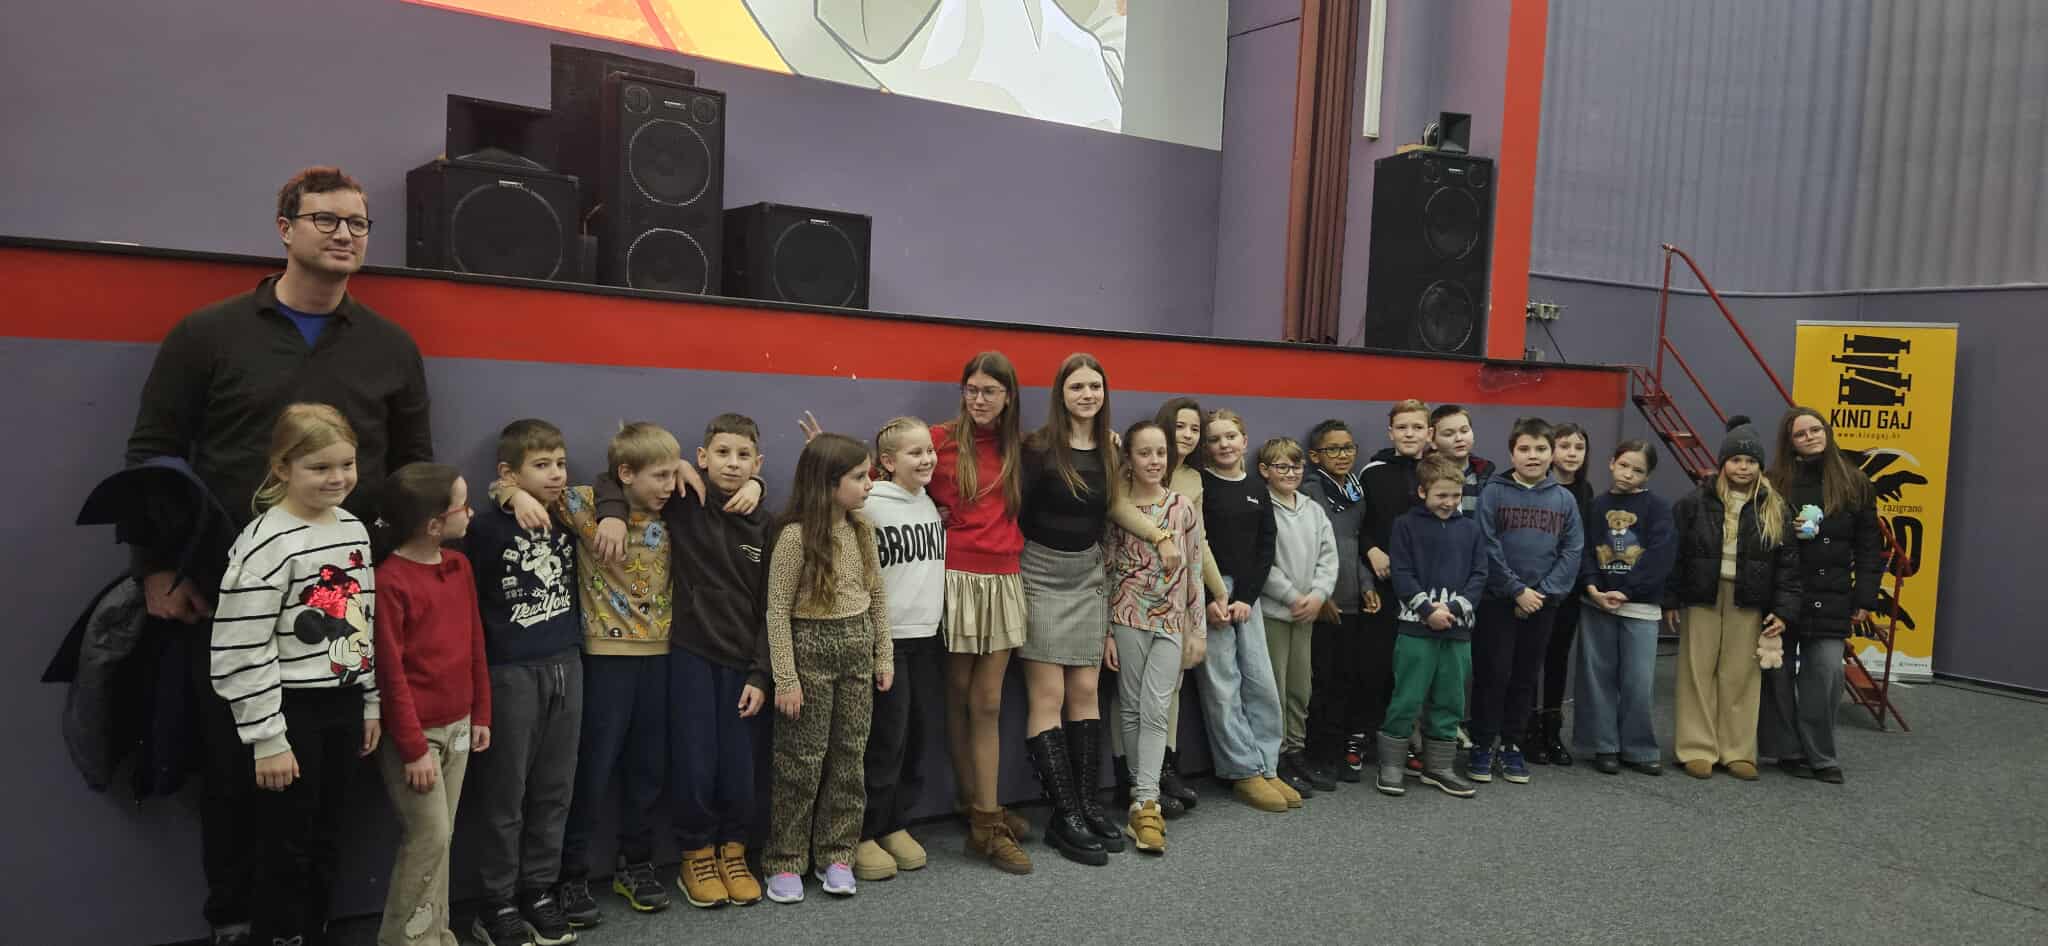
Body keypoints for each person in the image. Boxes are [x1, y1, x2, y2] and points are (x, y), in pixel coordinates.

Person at [125, 167, 432, 946]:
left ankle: (304, 926)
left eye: (358, 223)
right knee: (234, 776)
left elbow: (411, 469)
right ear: (285, 227)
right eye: (326, 219)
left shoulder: (391, 346)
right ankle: (234, 922)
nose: (344, 234)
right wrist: (156, 567)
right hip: (226, 596)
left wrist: (393, 569)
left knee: (325, 791)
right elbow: (153, 453)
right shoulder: (208, 334)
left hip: (338, 609)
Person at [209, 404, 383, 946]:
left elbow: (362, 622)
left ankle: (313, 933)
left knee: (329, 837)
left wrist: (370, 701)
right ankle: (280, 936)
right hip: (289, 714)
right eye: (320, 467)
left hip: (343, 704)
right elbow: (240, 647)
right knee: (285, 844)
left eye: (347, 464)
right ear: (282, 467)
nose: (338, 478)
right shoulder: (266, 541)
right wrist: (267, 738)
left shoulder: (352, 527)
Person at [590, 414, 774, 908]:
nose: (732, 464)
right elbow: (613, 477)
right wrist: (612, 512)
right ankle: (697, 853)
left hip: (744, 665)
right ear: (702, 457)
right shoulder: (683, 501)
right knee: (695, 762)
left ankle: (733, 851)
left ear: (758, 464)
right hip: (690, 654)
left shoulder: (766, 523)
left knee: (739, 767)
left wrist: (761, 672)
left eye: (744, 457)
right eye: (722, 453)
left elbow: (770, 608)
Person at [502, 423, 683, 914]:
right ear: (625, 473)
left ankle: (636, 864)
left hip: (662, 658)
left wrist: (688, 472)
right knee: (592, 770)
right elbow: (518, 485)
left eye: (673, 475)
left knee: (648, 769)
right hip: (604, 661)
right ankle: (572, 873)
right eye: (659, 476)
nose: (669, 486)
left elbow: (722, 482)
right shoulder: (583, 506)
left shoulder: (677, 508)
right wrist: (514, 495)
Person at [461, 421, 584, 944]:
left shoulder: (570, 514)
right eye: (541, 465)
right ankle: (497, 902)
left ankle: (538, 890)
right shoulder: (487, 530)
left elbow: (629, 482)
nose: (556, 474)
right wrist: (509, 496)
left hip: (567, 665)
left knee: (555, 790)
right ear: (508, 473)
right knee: (504, 794)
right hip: (509, 672)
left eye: (560, 463)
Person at [761, 433, 892, 904]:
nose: (869, 484)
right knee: (800, 761)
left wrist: (883, 654)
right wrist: (787, 678)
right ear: (828, 483)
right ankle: (785, 859)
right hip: (809, 651)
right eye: (859, 477)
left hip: (857, 649)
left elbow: (876, 595)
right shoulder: (794, 537)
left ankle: (838, 854)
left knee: (849, 758)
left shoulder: (862, 531)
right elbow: (777, 611)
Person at [369, 464, 491, 946]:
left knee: (443, 839)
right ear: (434, 524)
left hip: (460, 725)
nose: (471, 513)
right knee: (429, 837)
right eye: (464, 506)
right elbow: (390, 674)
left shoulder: (459, 566)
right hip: (416, 737)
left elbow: (474, 642)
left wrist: (481, 712)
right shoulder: (390, 581)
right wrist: (414, 748)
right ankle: (404, 940)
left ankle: (438, 934)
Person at [1016, 354, 1125, 865]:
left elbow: (1115, 507)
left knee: (1085, 692)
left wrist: (1162, 535)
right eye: (1077, 386)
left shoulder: (1109, 449)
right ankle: (1064, 816)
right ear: (1061, 392)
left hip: (1087, 577)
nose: (1087, 395)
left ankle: (1087, 805)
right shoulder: (1037, 448)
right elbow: (1011, 508)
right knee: (1050, 694)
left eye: (1095, 386)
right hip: (1039, 574)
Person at [929, 352, 1034, 873]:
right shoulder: (940, 439)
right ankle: (978, 811)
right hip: (957, 578)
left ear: (1008, 396)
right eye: (971, 389)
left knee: (988, 702)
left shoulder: (1023, 448)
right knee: (957, 694)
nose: (978, 399)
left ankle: (985, 817)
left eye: (989, 390)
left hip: (1005, 579)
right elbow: (883, 474)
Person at [1103, 397, 1223, 818]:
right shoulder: (1118, 510)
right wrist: (1106, 633)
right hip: (1127, 618)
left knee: (1156, 709)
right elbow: (1108, 570)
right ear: (1129, 459)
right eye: (1145, 453)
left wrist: (1197, 631)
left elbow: (1193, 569)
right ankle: (1139, 795)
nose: (1154, 461)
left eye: (1160, 453)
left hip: (1171, 623)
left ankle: (1147, 795)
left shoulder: (1182, 507)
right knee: (1131, 707)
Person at [1666, 416, 1801, 780]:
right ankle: (1696, 748)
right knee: (1697, 672)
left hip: (1749, 600)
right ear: (1723, 462)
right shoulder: (1695, 503)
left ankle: (1737, 750)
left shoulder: (1775, 508)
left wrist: (1783, 610)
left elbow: (1789, 565)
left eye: (1751, 461)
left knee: (1741, 675)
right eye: (1736, 460)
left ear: (1760, 466)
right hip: (1702, 597)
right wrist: (1670, 599)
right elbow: (1675, 554)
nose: (1743, 467)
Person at [1763, 408, 1882, 784]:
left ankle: (1821, 755)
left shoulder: (1855, 481)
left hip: (1831, 597)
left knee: (1827, 673)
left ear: (1827, 432)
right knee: (1777, 675)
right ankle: (1787, 750)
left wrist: (1865, 596)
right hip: (1782, 594)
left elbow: (1869, 546)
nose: (1810, 437)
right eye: (1800, 434)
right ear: (1789, 442)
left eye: (1815, 429)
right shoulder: (1773, 482)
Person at [855, 418, 946, 881]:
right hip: (887, 640)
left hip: (928, 637)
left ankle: (895, 822)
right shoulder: (870, 503)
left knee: (916, 736)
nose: (927, 459)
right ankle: (864, 831)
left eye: (929, 450)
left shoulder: (928, 501)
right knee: (884, 741)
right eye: (915, 453)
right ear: (888, 462)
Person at [1469, 418, 1583, 786]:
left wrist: (1542, 594)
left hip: (1542, 604)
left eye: (1540, 449)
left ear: (1552, 454)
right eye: (1524, 449)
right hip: (1497, 602)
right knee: (1493, 673)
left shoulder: (1564, 499)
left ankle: (1512, 745)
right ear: (1511, 453)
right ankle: (1483, 743)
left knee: (1524, 676)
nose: (1532, 456)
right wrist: (1516, 590)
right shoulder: (1493, 492)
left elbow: (1572, 550)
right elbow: (1486, 544)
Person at [1196, 409, 1292, 812]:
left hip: (1247, 597)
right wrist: (1209, 597)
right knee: (1223, 686)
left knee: (1260, 682)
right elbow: (1195, 545)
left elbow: (1266, 545)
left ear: (1244, 441)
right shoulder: (1200, 485)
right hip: (1212, 596)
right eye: (1215, 439)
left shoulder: (1255, 487)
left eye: (1231, 436)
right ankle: (1241, 770)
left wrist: (1247, 598)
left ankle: (1268, 764)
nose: (1224, 444)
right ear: (1206, 447)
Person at [1376, 456, 1487, 799]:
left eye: (1455, 495)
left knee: (1451, 698)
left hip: (1457, 629)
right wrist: (1427, 610)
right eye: (1441, 495)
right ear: (1423, 492)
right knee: (1407, 697)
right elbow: (1402, 573)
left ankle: (1438, 767)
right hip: (1416, 629)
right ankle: (1391, 765)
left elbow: (1479, 574)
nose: (1449, 502)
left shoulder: (1471, 529)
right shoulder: (1405, 526)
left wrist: (1452, 609)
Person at [1574, 441, 1675, 776]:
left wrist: (1627, 590)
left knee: (1638, 681)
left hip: (1640, 607)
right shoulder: (1596, 506)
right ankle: (1604, 745)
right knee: (1598, 677)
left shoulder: (1658, 507)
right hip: (1597, 604)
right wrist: (1592, 587)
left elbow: (1660, 555)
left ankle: (1639, 747)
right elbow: (1585, 550)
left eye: (1638, 470)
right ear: (1611, 462)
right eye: (1624, 465)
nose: (1629, 474)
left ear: (1648, 475)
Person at [1257, 437, 1338, 794]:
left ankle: (1295, 750)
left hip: (1307, 615)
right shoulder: (1262, 508)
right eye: (1281, 467)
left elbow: (1328, 557)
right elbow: (1263, 562)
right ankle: (1274, 758)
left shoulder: (1312, 509)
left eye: (1296, 466)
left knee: (1299, 687)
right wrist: (1292, 597)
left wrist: (1318, 595)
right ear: (1265, 471)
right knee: (1274, 687)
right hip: (1275, 613)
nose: (1290, 473)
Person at [1300, 419, 1379, 785]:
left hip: (1352, 601)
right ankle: (1316, 755)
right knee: (1320, 682)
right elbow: (1308, 550)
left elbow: (1355, 543)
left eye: (1348, 447)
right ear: (1315, 456)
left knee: (1346, 679)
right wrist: (1322, 595)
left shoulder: (1356, 491)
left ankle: (1337, 751)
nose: (1342, 455)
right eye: (1333, 449)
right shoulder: (1311, 492)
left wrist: (1366, 584)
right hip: (1323, 603)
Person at [1356, 399, 1431, 774]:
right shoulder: (1372, 472)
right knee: (1375, 663)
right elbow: (1357, 524)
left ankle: (1406, 738)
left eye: (1417, 427)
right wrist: (1371, 549)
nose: (1409, 434)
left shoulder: (1436, 472)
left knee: (1412, 668)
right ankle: (1364, 735)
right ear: (1390, 432)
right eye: (1402, 427)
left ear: (1429, 433)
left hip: (1423, 587)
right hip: (1384, 585)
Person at [1527, 422, 1594, 766]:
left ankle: (1552, 731)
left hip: (1566, 591)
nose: (1571, 453)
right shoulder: (1535, 489)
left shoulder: (1585, 492)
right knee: (1529, 661)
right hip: (1531, 590)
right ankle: (1527, 730)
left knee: (1557, 658)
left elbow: (1579, 547)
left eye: (1579, 447)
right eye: (1564, 446)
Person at [1428, 404, 1493, 518]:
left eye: (1464, 431)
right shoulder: (1424, 476)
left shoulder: (1486, 477)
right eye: (1448, 434)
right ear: (1433, 441)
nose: (1459, 438)